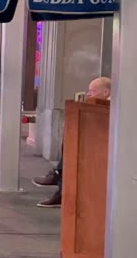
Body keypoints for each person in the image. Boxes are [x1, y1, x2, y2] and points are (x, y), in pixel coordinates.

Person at [35, 76, 111, 208]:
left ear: (105, 92)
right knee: (71, 140)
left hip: (106, 149)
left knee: (76, 147)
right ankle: (60, 177)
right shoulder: (101, 107)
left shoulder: (110, 107)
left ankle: (59, 177)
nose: (88, 95)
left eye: (92, 91)